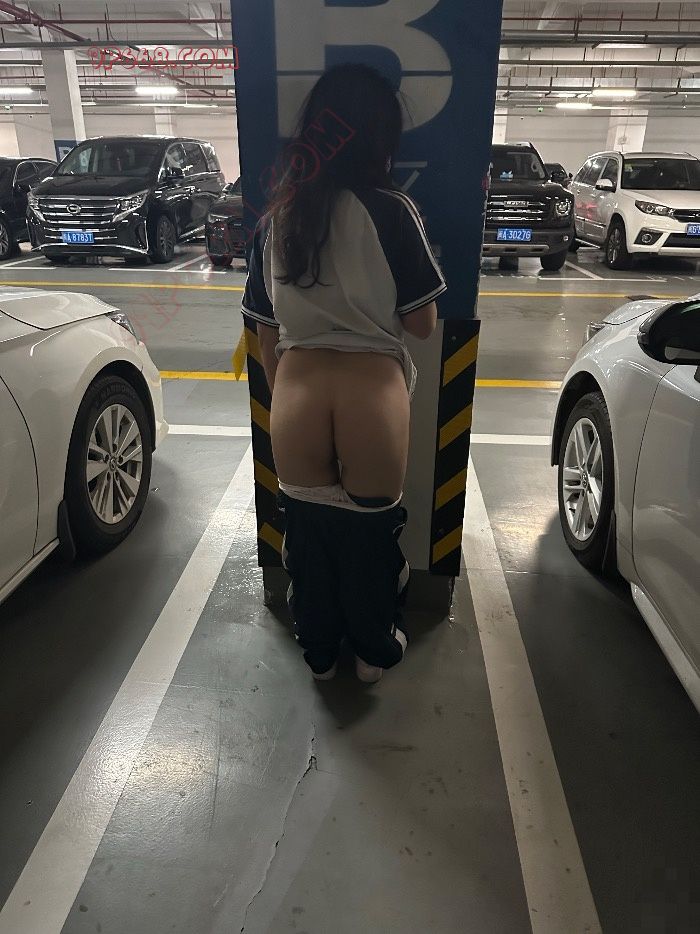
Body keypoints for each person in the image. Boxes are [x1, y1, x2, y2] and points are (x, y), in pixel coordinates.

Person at [241, 64, 446, 683]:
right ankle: (372, 652)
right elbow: (422, 325)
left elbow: (264, 329)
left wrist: (285, 389)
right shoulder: (394, 210)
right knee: (369, 538)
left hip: (297, 388)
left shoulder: (278, 217)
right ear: (382, 137)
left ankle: (321, 653)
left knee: (307, 535)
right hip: (371, 391)